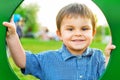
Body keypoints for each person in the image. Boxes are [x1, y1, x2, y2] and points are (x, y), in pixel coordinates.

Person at [3, 3, 115, 80]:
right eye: (70, 29)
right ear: (60, 34)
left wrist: (109, 57)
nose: (78, 33)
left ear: (93, 33)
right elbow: (22, 61)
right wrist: (12, 36)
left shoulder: (98, 57)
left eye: (84, 29)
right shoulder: (48, 59)